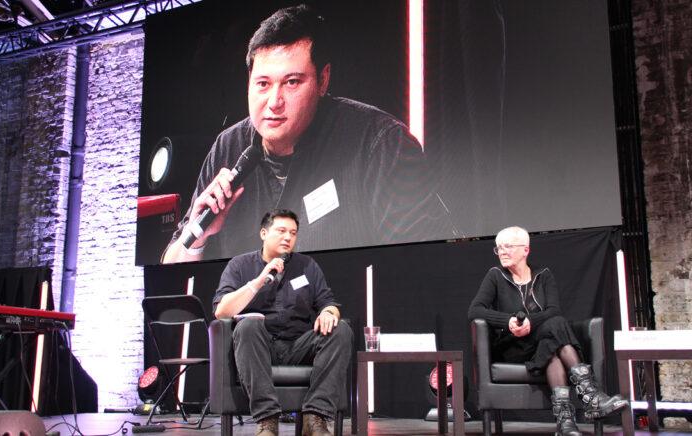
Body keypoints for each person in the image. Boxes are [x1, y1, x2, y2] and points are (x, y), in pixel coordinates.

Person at [162, 4, 455, 264]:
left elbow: (424, 263)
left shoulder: (380, 144)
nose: (274, 101)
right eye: (262, 84)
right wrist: (195, 237)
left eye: (291, 82)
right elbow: (171, 267)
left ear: (322, 80)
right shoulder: (228, 148)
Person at [467, 226, 628, 436]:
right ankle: (592, 397)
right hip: (512, 347)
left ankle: (566, 423)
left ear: (525, 249)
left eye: (507, 246)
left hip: (542, 345)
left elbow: (553, 310)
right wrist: (508, 322)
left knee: (553, 347)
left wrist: (530, 323)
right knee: (556, 325)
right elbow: (474, 310)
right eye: (498, 248)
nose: (502, 252)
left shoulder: (543, 275)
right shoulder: (495, 276)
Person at [213, 209, 351, 436]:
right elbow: (221, 311)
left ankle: (314, 418)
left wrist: (328, 312)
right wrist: (258, 281)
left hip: (298, 345)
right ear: (264, 233)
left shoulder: (307, 266)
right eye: (281, 231)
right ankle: (267, 422)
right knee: (248, 325)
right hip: (259, 347)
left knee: (341, 329)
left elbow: (328, 302)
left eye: (293, 233)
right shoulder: (239, 265)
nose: (288, 237)